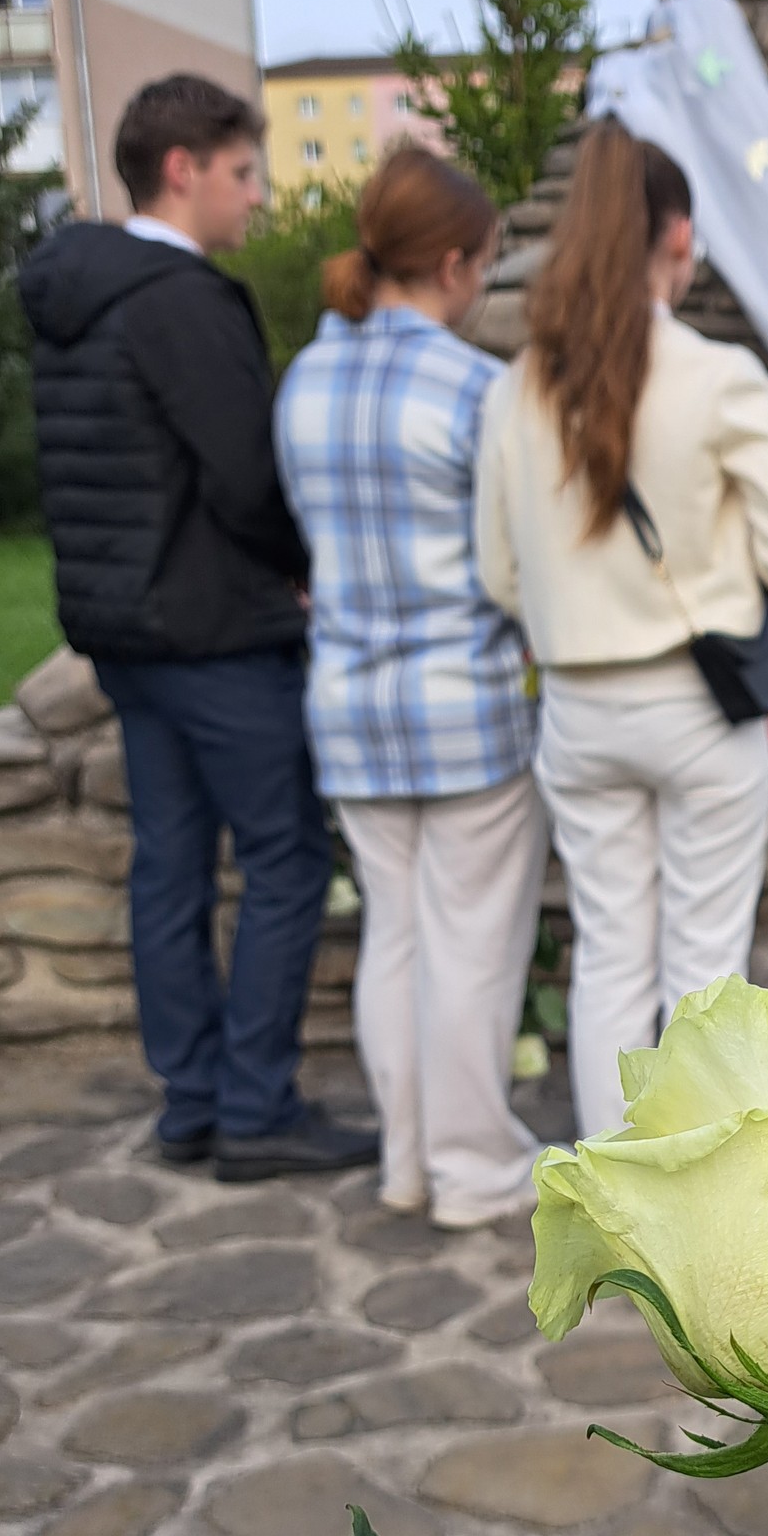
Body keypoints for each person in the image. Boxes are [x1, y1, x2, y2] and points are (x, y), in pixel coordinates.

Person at [21, 74, 377, 1182]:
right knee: (283, 854)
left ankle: (191, 1098)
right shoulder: (181, 298)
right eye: (241, 173)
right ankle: (257, 1104)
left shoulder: (72, 289)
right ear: (183, 169)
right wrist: (306, 569)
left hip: (123, 632)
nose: (254, 197)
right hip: (217, 630)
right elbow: (244, 475)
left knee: (170, 860)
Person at [476, 119, 768, 1140]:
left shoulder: (516, 388)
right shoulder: (717, 377)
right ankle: (696, 1189)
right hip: (695, 699)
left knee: (608, 956)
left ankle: (609, 1180)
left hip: (578, 708)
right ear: (676, 237)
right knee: (703, 963)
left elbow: (501, 574)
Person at [275, 149, 545, 1227]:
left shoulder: (305, 375)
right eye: (480, 263)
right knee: (473, 945)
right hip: (463, 704)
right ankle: (475, 1168)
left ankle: (407, 1158)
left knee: (393, 934)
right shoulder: (474, 388)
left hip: (346, 704)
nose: (481, 281)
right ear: (449, 262)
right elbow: (510, 555)